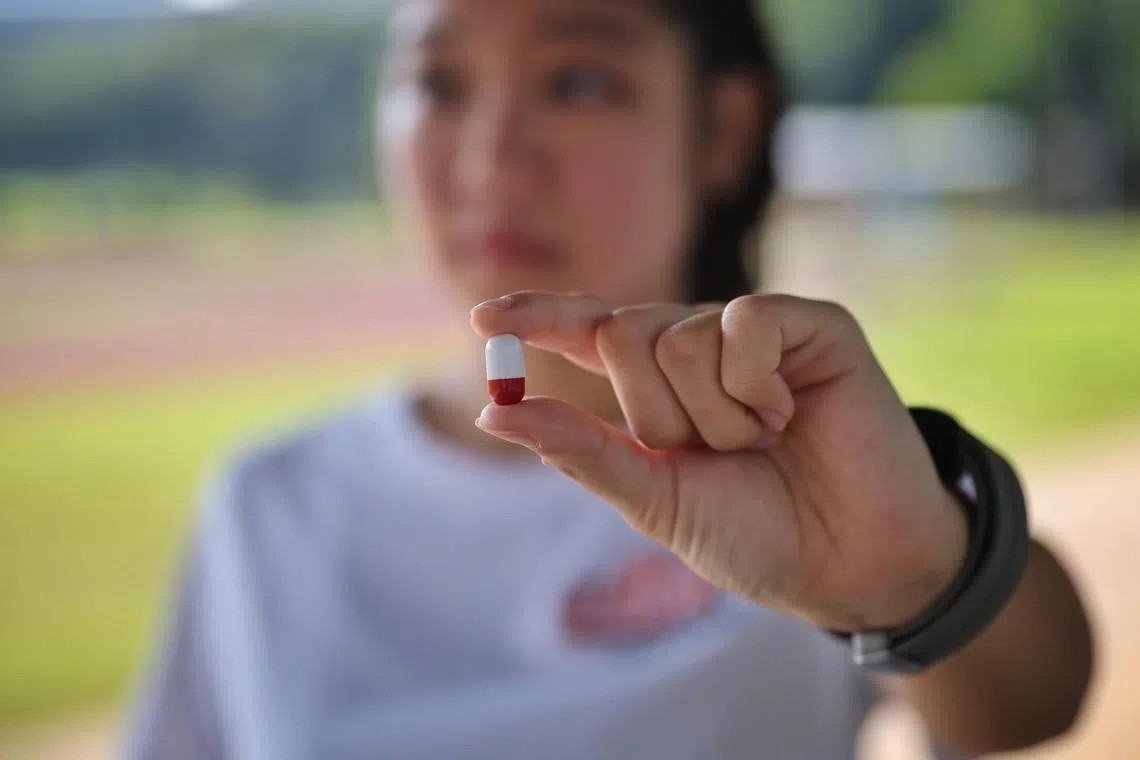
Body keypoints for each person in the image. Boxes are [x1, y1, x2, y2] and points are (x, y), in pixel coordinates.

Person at [125, 1, 1094, 758]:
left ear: (724, 129)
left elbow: (1037, 699)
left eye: (579, 80)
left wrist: (918, 579)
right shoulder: (268, 504)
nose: (492, 151)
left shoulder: (797, 450)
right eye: (436, 82)